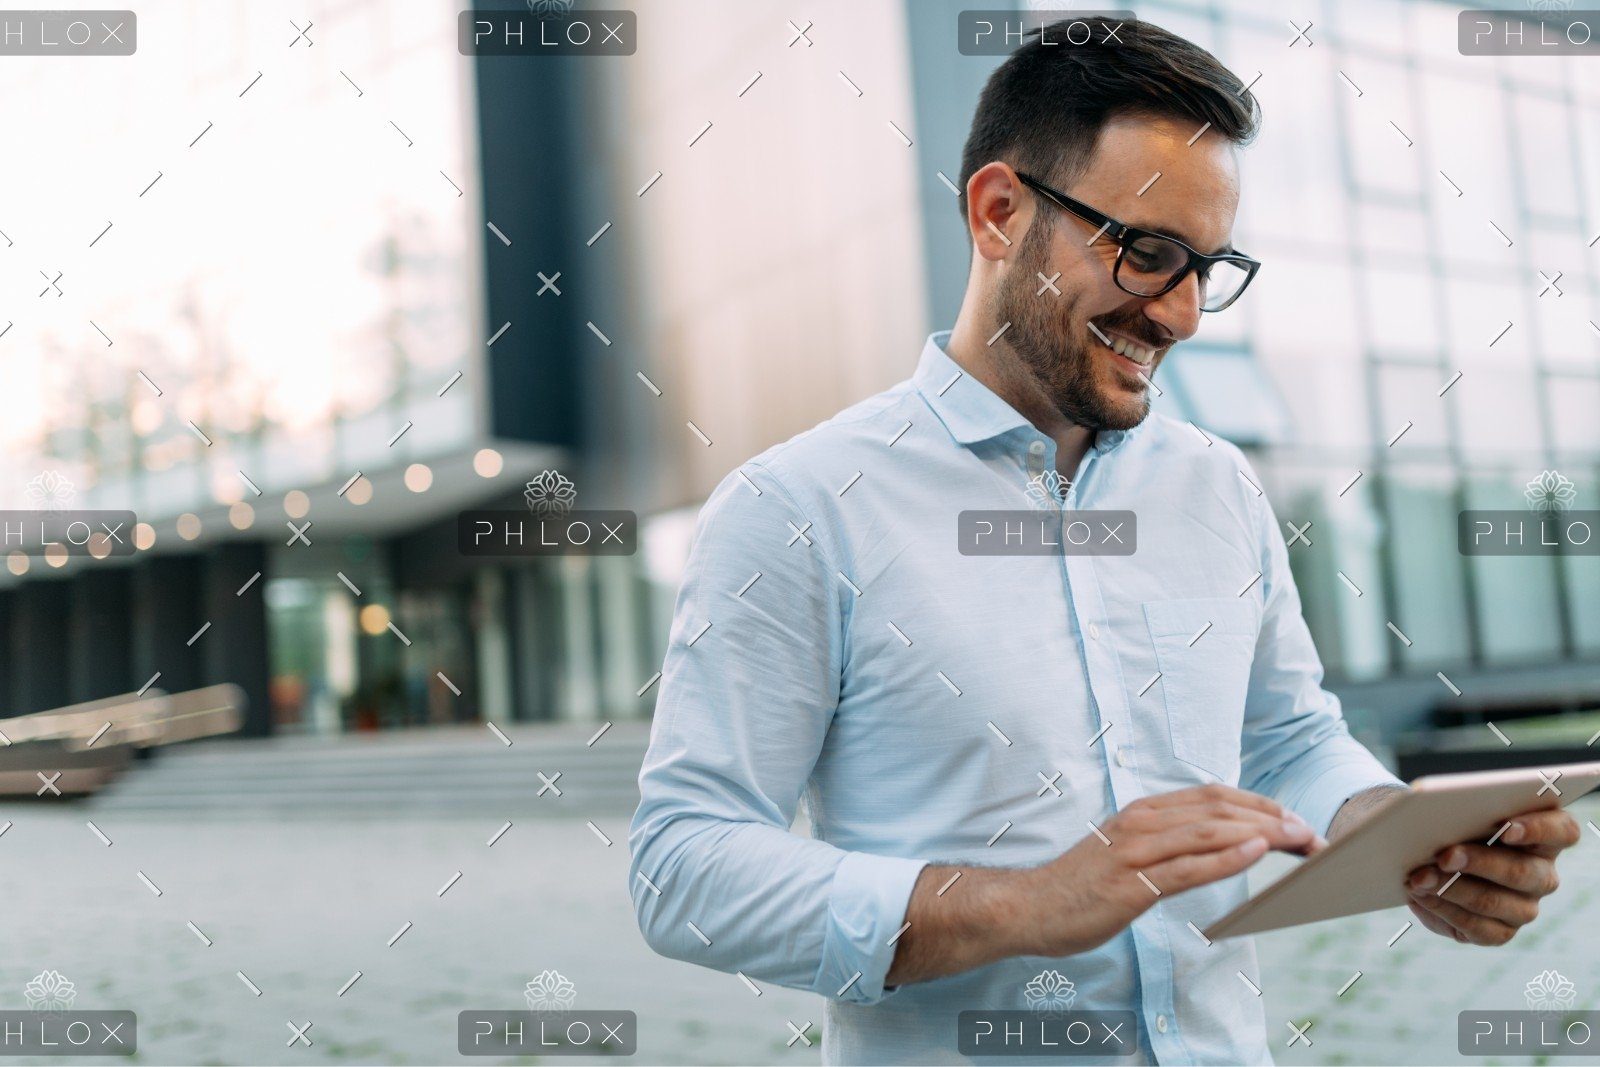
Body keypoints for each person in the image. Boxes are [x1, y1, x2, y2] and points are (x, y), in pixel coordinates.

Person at [627, 17, 1580, 1065]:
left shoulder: (1215, 486)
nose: (1181, 313)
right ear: (998, 213)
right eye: (1147, 253)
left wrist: (1395, 839)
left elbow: (1285, 734)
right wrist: (1027, 902)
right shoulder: (800, 506)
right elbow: (684, 865)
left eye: (1208, 267)